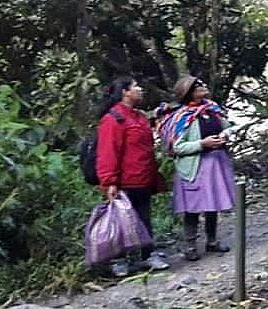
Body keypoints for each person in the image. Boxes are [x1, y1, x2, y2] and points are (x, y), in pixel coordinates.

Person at [96, 76, 170, 276]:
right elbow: (107, 152)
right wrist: (109, 181)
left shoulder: (139, 117)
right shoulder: (112, 119)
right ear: (125, 92)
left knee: (144, 218)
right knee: (120, 220)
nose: (140, 89)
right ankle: (119, 260)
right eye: (135, 86)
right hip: (123, 181)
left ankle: (148, 255)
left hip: (143, 178)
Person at [157, 75, 236, 261]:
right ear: (189, 92)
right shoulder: (182, 117)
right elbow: (176, 147)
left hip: (216, 164)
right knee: (192, 208)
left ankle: (212, 241)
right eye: (198, 85)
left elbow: (228, 126)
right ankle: (190, 245)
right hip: (194, 167)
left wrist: (225, 135)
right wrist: (202, 143)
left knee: (213, 204)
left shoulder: (212, 109)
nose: (203, 86)